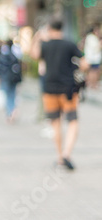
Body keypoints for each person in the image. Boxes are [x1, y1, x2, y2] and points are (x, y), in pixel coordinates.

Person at [31, 17, 87, 170]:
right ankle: (67, 154)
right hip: (68, 88)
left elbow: (34, 55)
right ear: (63, 28)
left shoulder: (45, 45)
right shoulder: (69, 44)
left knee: (55, 123)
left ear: (49, 28)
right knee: (72, 121)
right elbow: (85, 63)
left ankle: (59, 156)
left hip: (49, 88)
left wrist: (37, 37)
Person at [83, 25, 101, 90]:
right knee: (93, 72)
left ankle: (93, 84)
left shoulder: (92, 37)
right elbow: (96, 47)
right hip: (93, 59)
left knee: (94, 71)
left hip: (94, 59)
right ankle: (92, 84)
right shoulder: (91, 37)